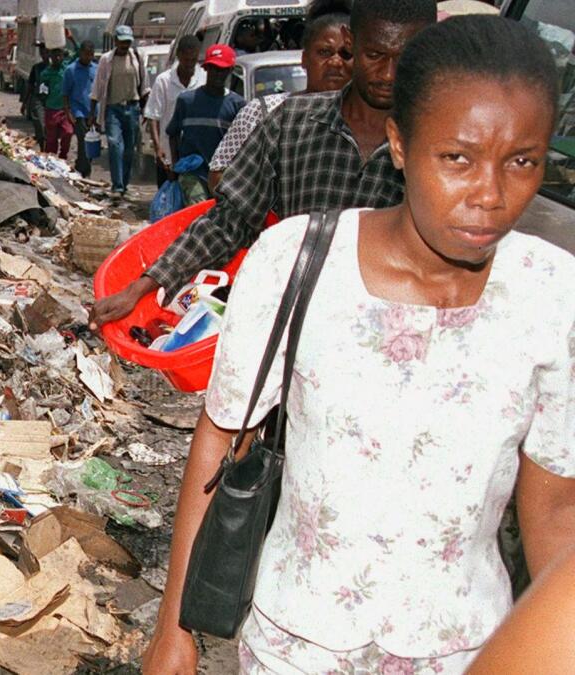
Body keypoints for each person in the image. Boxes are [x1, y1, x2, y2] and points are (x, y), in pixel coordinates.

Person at [142, 15, 572, 675]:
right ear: (399, 143)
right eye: (456, 158)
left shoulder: (550, 293)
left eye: (522, 161)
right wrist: (177, 627)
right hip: (295, 645)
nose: (490, 194)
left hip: (468, 652)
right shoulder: (298, 261)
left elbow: (552, 508)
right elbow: (222, 439)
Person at [89, 0, 435, 330]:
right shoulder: (291, 124)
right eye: (375, 55)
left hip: (397, 339)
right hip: (297, 336)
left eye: (404, 57)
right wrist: (145, 286)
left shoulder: (441, 141)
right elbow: (230, 219)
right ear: (351, 42)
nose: (389, 74)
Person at [208, 0, 353, 190]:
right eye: (324, 52)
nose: (335, 62)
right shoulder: (261, 112)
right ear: (304, 58)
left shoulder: (371, 120)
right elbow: (219, 176)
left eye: (346, 54)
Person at [165, 44, 245, 184]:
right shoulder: (187, 100)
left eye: (222, 70)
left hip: (224, 177)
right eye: (213, 69)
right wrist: (176, 165)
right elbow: (173, 133)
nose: (217, 74)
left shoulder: (237, 105)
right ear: (205, 69)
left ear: (230, 71)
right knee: (200, 205)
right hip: (192, 173)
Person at [92, 26, 149, 197]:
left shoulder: (137, 58)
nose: (125, 45)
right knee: (115, 145)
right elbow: (97, 87)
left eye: (127, 42)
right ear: (116, 41)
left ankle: (124, 184)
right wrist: (92, 113)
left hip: (132, 108)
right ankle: (117, 186)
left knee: (129, 149)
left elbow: (144, 86)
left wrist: (146, 110)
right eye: (122, 42)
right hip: (113, 109)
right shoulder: (106, 60)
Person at [144, 35, 206, 188]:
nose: (189, 65)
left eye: (193, 60)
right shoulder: (163, 81)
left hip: (195, 154)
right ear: (178, 55)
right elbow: (153, 117)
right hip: (168, 153)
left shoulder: (204, 79)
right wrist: (158, 148)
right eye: (186, 60)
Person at [62, 40, 98, 178]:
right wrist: (68, 112)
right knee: (83, 143)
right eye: (86, 54)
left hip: (93, 111)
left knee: (92, 143)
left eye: (91, 55)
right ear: (81, 53)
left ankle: (82, 166)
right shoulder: (71, 70)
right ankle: (83, 171)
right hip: (78, 112)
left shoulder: (96, 69)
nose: (88, 58)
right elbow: (65, 93)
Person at [39, 48, 72, 158]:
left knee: (68, 132)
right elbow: (42, 90)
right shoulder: (46, 73)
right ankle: (51, 160)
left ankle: (63, 156)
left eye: (60, 56)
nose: (57, 58)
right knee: (51, 139)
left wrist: (71, 39)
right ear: (51, 57)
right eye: (55, 56)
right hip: (51, 108)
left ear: (63, 56)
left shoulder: (66, 68)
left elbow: (77, 54)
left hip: (65, 109)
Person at [23, 44, 49, 145]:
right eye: (42, 53)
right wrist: (24, 103)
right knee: (40, 125)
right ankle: (43, 145)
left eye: (46, 52)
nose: (44, 55)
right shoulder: (36, 68)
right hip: (39, 100)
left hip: (51, 100)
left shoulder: (54, 67)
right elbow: (30, 86)